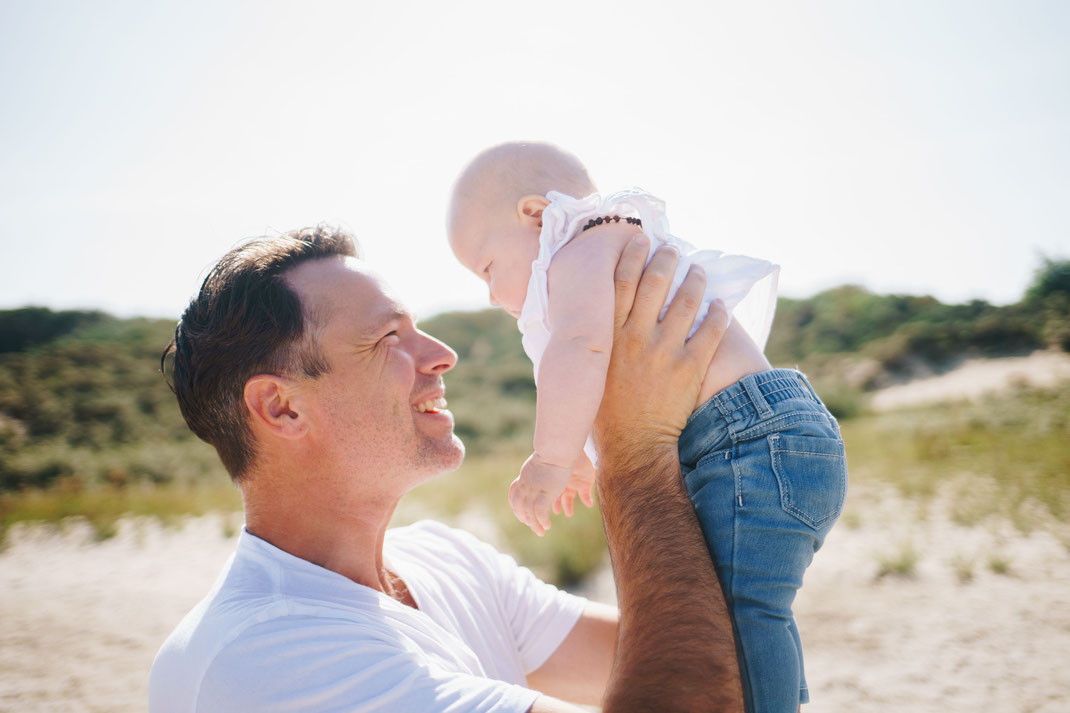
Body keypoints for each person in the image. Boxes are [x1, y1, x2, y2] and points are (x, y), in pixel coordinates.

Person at [149, 224, 743, 712]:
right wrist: (635, 453)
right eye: (387, 337)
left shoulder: (446, 559)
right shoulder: (263, 658)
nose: (442, 355)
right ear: (282, 407)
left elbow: (719, 663)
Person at [448, 142, 849, 712]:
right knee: (745, 611)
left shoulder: (580, 252)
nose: (489, 294)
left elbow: (582, 348)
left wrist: (552, 458)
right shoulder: (610, 243)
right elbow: (602, 366)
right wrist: (586, 454)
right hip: (760, 436)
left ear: (535, 214)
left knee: (742, 619)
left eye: (487, 269)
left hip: (744, 442)